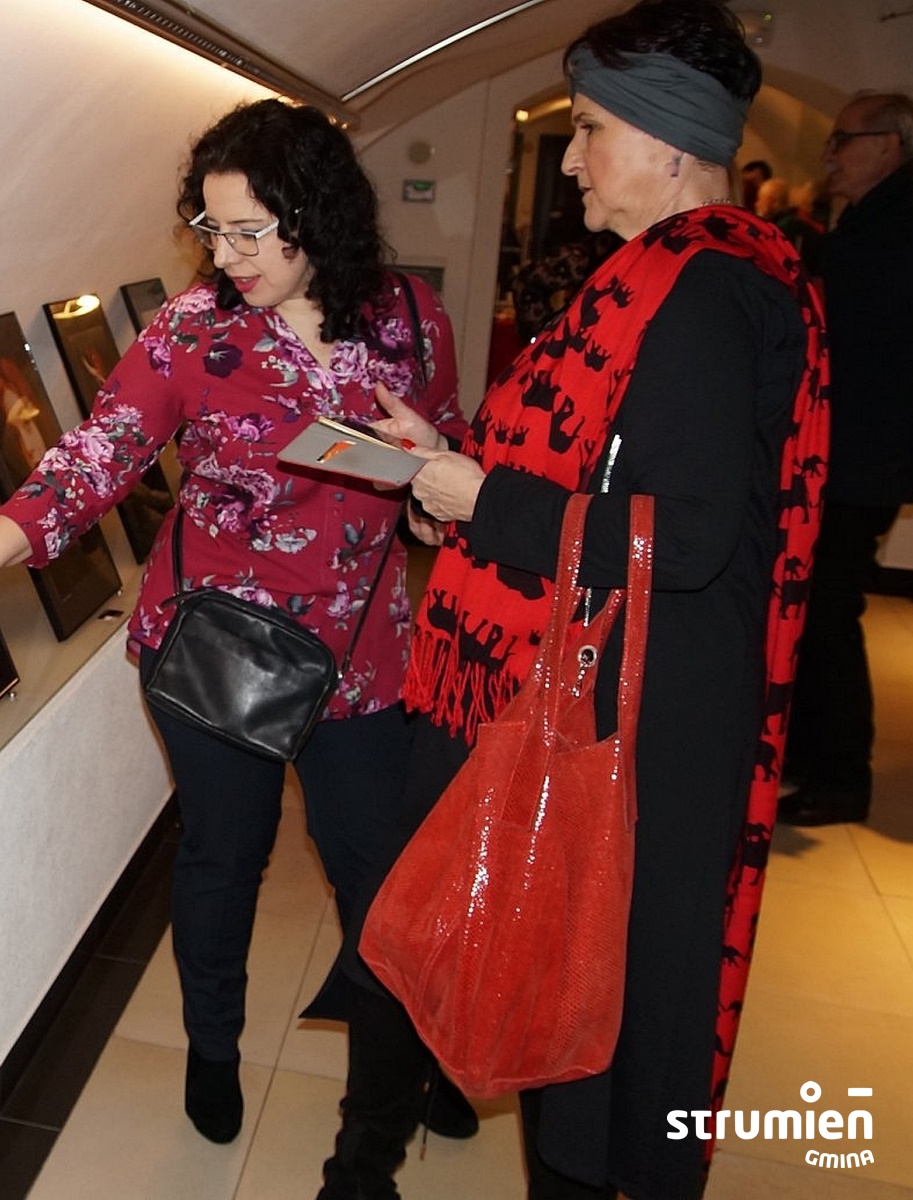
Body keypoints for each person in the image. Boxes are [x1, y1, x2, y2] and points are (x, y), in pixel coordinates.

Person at [0, 98, 468, 1145]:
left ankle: (403, 1067)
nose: (225, 255)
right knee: (222, 858)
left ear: (314, 215)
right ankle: (212, 1046)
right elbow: (96, 453)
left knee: (377, 876)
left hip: (361, 654)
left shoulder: (409, 316)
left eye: (249, 232)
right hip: (215, 650)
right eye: (211, 229)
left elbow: (448, 449)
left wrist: (433, 482)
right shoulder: (193, 329)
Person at [327, 2, 830, 1196]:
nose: (569, 160)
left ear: (667, 142)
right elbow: (603, 468)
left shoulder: (702, 295)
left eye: (590, 129)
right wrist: (452, 476)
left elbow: (688, 537)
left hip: (640, 722)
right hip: (625, 688)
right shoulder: (679, 275)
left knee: (591, 1015)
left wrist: (482, 498)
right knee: (568, 995)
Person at [779, 92, 913, 827]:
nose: (829, 155)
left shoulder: (895, 226)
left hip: (864, 453)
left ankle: (840, 778)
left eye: (844, 140)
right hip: (850, 449)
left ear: (889, 144)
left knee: (829, 611)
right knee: (816, 608)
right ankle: (811, 755)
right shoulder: (870, 220)